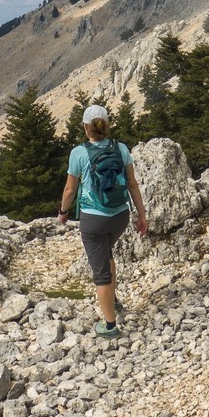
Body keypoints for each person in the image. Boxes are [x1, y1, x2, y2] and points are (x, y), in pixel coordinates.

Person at [57, 104, 147, 338]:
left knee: (101, 273)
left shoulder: (79, 153)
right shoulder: (122, 149)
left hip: (93, 220)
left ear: (86, 127)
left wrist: (63, 212)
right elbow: (132, 184)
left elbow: (69, 189)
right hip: (120, 216)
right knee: (106, 254)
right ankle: (113, 300)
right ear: (106, 125)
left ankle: (110, 326)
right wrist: (142, 215)